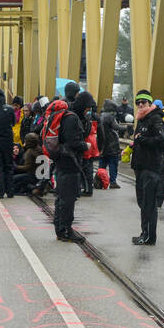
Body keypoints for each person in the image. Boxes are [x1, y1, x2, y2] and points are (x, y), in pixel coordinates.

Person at [52, 89, 93, 242]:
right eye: (88, 108)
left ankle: (61, 229)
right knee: (67, 199)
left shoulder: (71, 116)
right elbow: (72, 142)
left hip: (65, 161)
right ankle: (66, 230)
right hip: (69, 162)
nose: (89, 111)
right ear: (83, 105)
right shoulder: (72, 119)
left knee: (63, 197)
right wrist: (85, 146)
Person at [127, 90, 164, 246]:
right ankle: (145, 232)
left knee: (149, 204)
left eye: (144, 102)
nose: (140, 105)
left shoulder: (155, 119)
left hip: (151, 167)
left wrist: (141, 139)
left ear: (150, 103)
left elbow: (161, 140)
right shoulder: (142, 120)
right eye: (138, 102)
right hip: (141, 166)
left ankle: (150, 236)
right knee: (142, 202)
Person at [98, 99, 123, 189]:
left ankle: (100, 181)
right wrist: (126, 127)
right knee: (113, 164)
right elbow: (116, 127)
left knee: (102, 165)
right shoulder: (110, 117)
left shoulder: (100, 116)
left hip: (102, 145)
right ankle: (113, 182)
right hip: (112, 145)